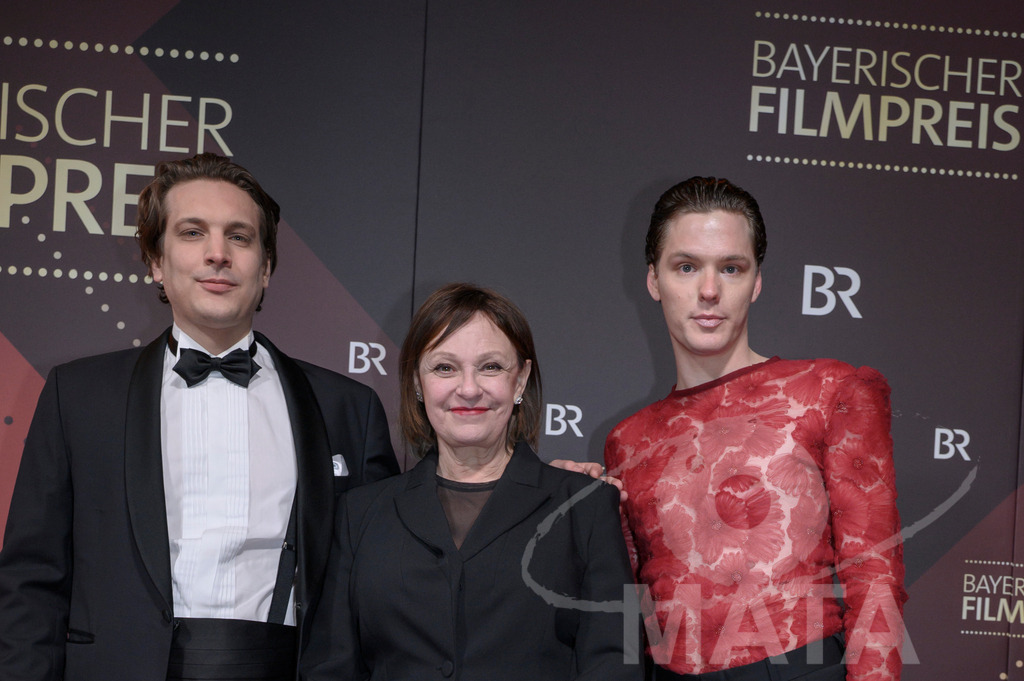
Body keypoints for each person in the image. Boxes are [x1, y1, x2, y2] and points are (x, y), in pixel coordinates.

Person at [0, 153, 399, 681]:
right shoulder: (77, 397)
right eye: (192, 233)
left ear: (267, 267)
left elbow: (385, 580)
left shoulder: (348, 408)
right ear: (156, 261)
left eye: (239, 237)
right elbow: (32, 580)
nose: (218, 254)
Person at [604, 177, 907, 681]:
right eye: (686, 267)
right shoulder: (628, 439)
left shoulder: (829, 390)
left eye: (731, 268)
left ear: (757, 281)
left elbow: (874, 574)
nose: (709, 290)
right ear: (654, 281)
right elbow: (633, 604)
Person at [302, 283, 642, 681]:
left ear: (520, 381)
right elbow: (330, 666)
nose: (468, 388)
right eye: (444, 367)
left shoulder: (586, 506)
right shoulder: (359, 515)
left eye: (490, 367)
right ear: (416, 381)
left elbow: (621, 660)